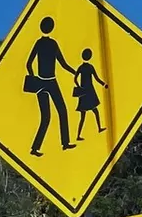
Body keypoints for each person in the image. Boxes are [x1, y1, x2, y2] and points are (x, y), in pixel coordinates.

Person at [23, 16, 77, 156]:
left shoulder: (40, 43)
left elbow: (28, 63)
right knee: (59, 113)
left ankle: (41, 147)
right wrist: (75, 72)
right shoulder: (52, 44)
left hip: (44, 83)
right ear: (51, 28)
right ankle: (61, 144)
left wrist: (33, 76)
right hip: (48, 83)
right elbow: (63, 64)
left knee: (49, 115)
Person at [72, 49, 107, 140]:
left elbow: (75, 78)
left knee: (85, 115)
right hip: (89, 91)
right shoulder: (90, 67)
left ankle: (80, 135)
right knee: (94, 111)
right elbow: (96, 78)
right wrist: (104, 84)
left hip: (85, 92)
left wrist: (79, 86)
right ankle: (80, 134)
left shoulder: (81, 67)